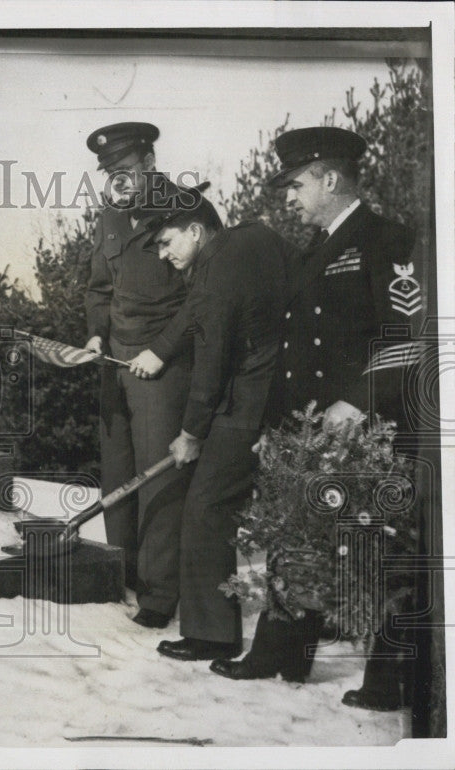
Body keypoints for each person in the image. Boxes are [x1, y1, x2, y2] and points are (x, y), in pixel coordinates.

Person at [209, 127, 427, 709]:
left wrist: (359, 401)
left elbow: (409, 337)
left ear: (331, 179)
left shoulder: (387, 239)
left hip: (369, 426)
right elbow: (296, 353)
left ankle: (389, 681)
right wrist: (279, 431)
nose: (287, 197)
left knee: (378, 547)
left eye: (297, 184)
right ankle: (280, 651)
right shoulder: (314, 250)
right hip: (311, 427)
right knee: (296, 536)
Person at [127, 182, 293, 662]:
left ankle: (211, 635)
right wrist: (158, 351)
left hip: (247, 405)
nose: (162, 254)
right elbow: (197, 313)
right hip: (283, 395)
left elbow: (212, 357)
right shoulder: (248, 241)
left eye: (166, 241)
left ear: (196, 230)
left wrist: (191, 433)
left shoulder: (217, 268)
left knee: (204, 510)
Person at [83, 122, 195, 629]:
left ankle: (157, 594)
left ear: (150, 162)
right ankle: (122, 577)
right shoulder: (109, 215)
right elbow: (99, 288)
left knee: (157, 479)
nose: (118, 181)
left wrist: (162, 350)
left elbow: (202, 300)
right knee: (118, 474)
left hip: (161, 367)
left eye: (125, 170)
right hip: (114, 364)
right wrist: (95, 336)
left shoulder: (187, 208)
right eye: (110, 173)